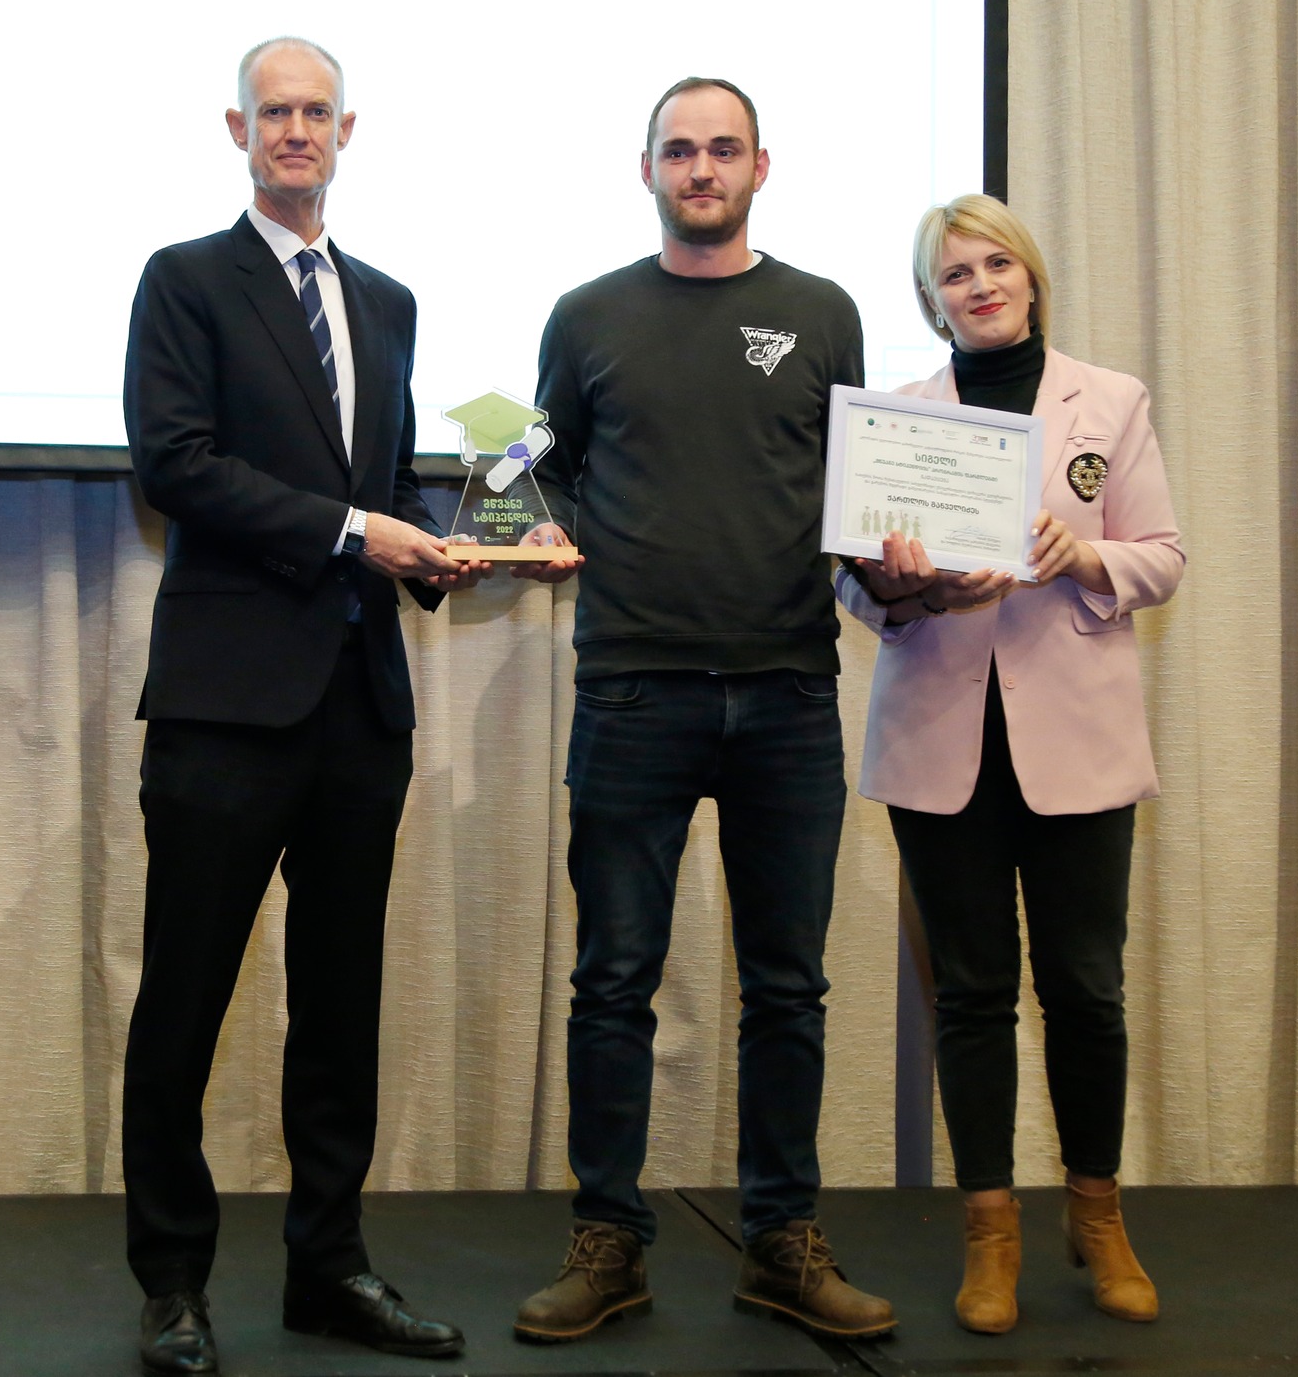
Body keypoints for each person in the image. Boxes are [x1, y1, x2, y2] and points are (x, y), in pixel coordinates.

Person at [507, 77, 895, 1344]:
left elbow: (855, 490)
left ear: (759, 167)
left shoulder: (822, 313)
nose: (701, 168)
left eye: (723, 149)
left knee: (787, 987)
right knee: (612, 980)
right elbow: (534, 472)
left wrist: (910, 549)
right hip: (632, 688)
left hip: (787, 689)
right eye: (679, 150)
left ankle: (780, 1241)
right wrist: (533, 532)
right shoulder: (587, 316)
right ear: (647, 170)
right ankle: (608, 1241)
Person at [121, 37, 483, 1374]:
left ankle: (329, 1268)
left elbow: (386, 483)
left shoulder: (385, 300)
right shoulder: (184, 280)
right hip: (225, 705)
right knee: (185, 1005)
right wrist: (354, 530)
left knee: (339, 1010)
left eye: (314, 111)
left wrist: (454, 551)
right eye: (272, 111)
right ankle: (172, 1283)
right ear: (237, 129)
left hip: (358, 707)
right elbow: (175, 464)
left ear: (346, 130)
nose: (294, 131)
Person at [837, 194, 1184, 1336]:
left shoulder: (1109, 400)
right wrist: (912, 586)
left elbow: (1162, 557)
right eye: (954, 274)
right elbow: (852, 585)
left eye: (996, 265)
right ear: (928, 300)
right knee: (973, 993)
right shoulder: (897, 419)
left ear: (1031, 278)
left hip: (1075, 742)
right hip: (944, 742)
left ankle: (1099, 1217)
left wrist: (1080, 555)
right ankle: (990, 1232)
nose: (979, 285)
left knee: (1085, 988)